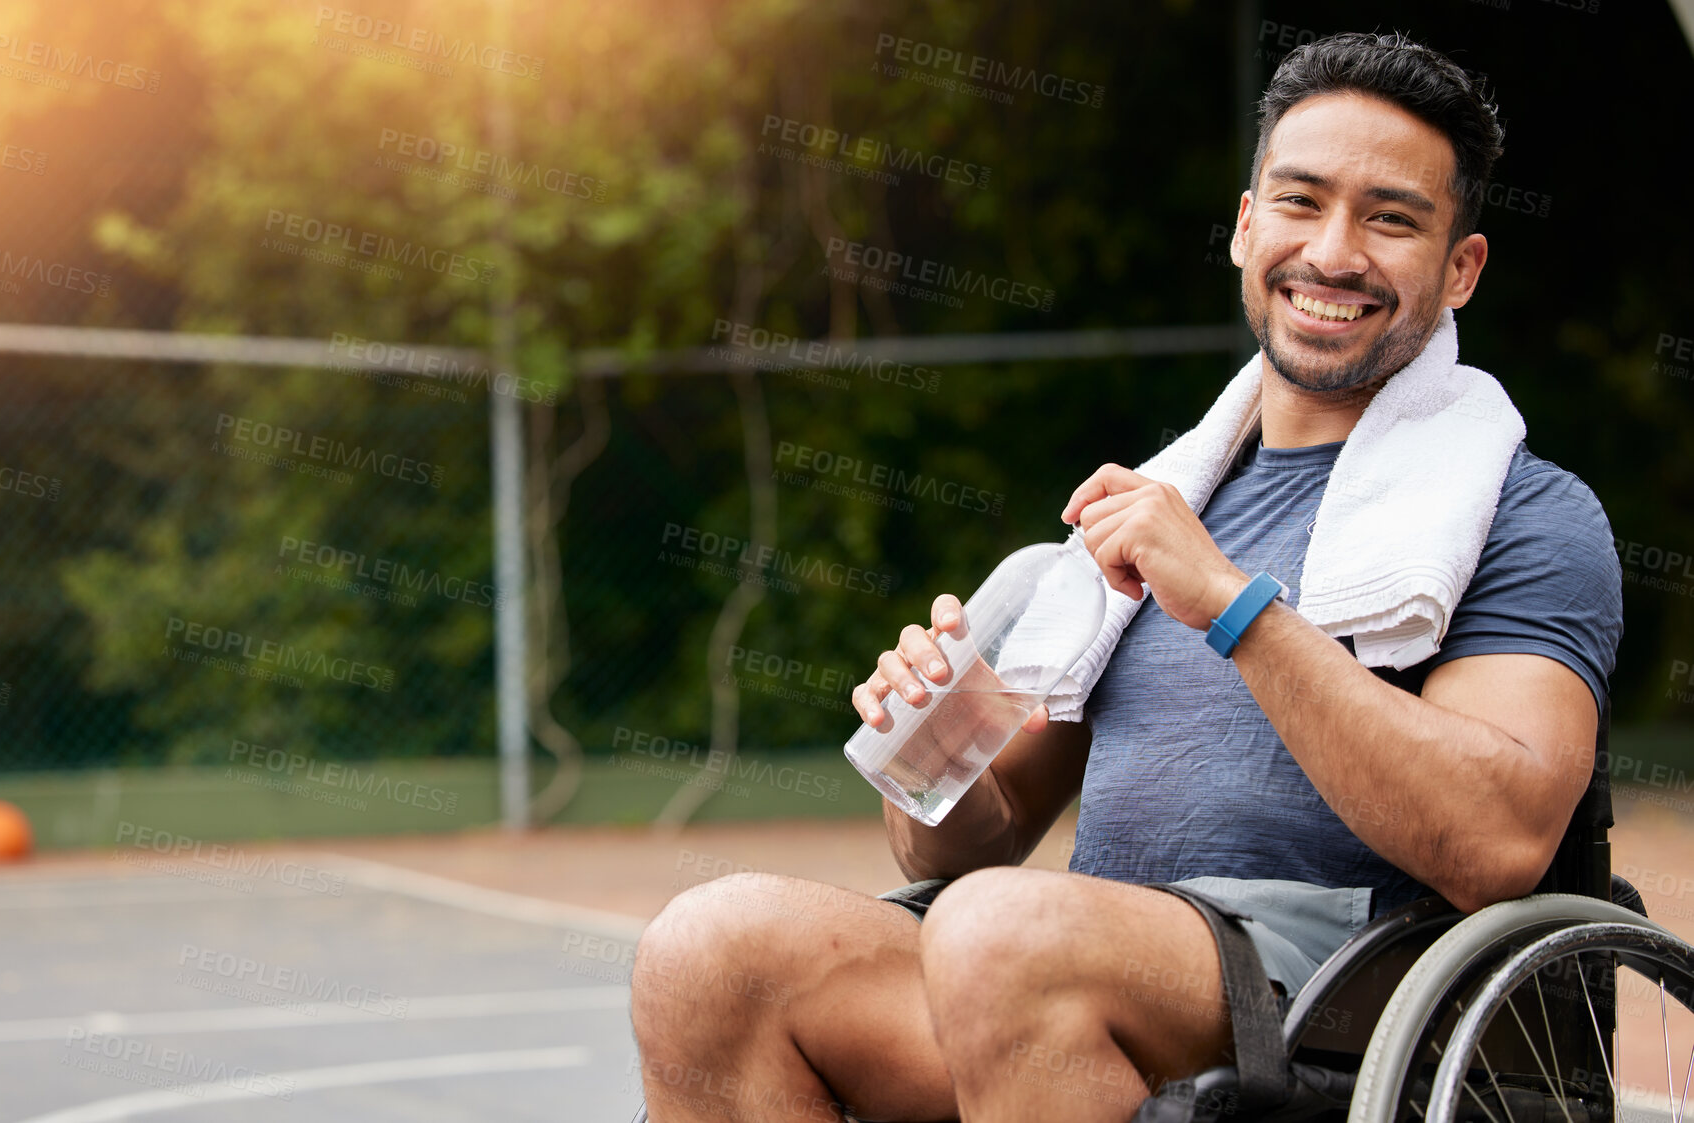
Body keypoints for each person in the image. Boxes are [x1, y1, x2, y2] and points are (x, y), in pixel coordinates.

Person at [630, 31, 1623, 1123]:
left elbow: (1494, 841)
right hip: (1052, 975)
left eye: (1389, 218)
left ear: (1459, 267)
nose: (1332, 252)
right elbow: (975, 843)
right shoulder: (1160, 502)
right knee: (708, 949)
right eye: (1297, 203)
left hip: (1350, 1002)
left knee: (1004, 930)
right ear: (1247, 228)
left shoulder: (1521, 512)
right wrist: (931, 753)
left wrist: (1233, 605)